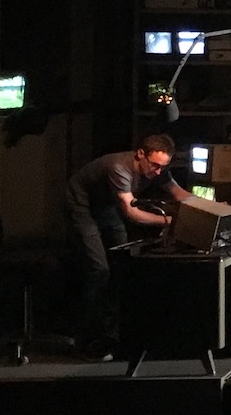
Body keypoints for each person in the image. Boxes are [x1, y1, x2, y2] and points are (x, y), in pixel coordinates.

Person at [62, 133, 193, 358]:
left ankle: (112, 332)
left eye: (163, 167)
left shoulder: (157, 169)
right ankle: (83, 336)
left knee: (124, 264)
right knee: (99, 270)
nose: (158, 172)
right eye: (155, 165)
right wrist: (172, 222)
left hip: (107, 207)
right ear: (140, 154)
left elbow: (179, 194)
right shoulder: (118, 168)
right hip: (82, 207)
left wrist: (212, 209)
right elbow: (132, 213)